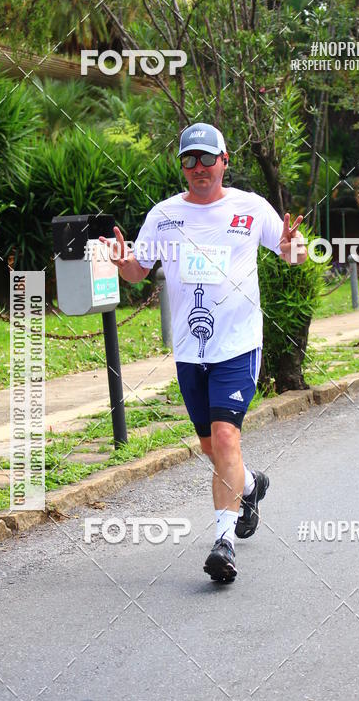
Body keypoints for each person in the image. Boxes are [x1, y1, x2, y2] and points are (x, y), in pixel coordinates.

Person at [100, 122, 307, 582]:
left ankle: (224, 542)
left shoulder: (250, 208)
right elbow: (138, 271)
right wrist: (121, 263)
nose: (198, 168)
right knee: (211, 446)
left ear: (224, 161)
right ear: (182, 167)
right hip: (190, 351)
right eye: (188, 160)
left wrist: (296, 248)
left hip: (237, 344)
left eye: (206, 158)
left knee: (226, 437)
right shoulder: (164, 215)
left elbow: (293, 254)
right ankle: (251, 486)